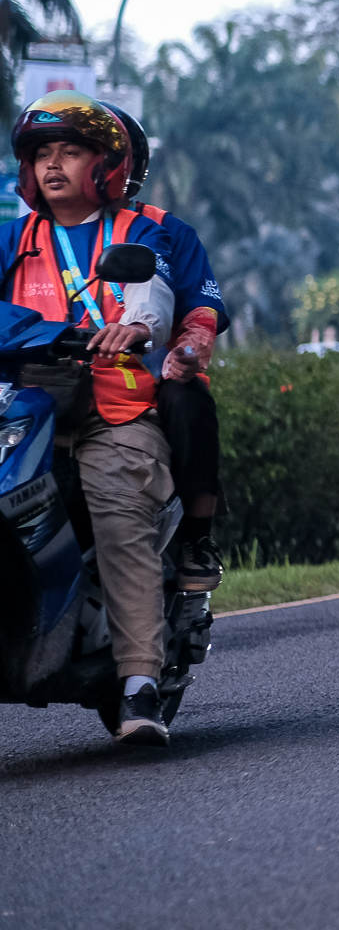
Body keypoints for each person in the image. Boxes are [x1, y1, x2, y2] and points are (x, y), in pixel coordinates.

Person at [0, 92, 177, 745]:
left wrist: (135, 327)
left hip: (109, 407)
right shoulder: (10, 239)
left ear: (105, 165)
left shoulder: (137, 234)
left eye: (69, 152)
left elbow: (153, 296)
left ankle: (139, 685)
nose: (52, 165)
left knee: (119, 510)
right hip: (21, 403)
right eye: (42, 153)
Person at [103, 102, 230, 592]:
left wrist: (189, 352)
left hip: (151, 376)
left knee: (190, 401)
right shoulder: (30, 235)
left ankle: (196, 538)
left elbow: (203, 306)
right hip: (65, 377)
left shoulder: (167, 230)